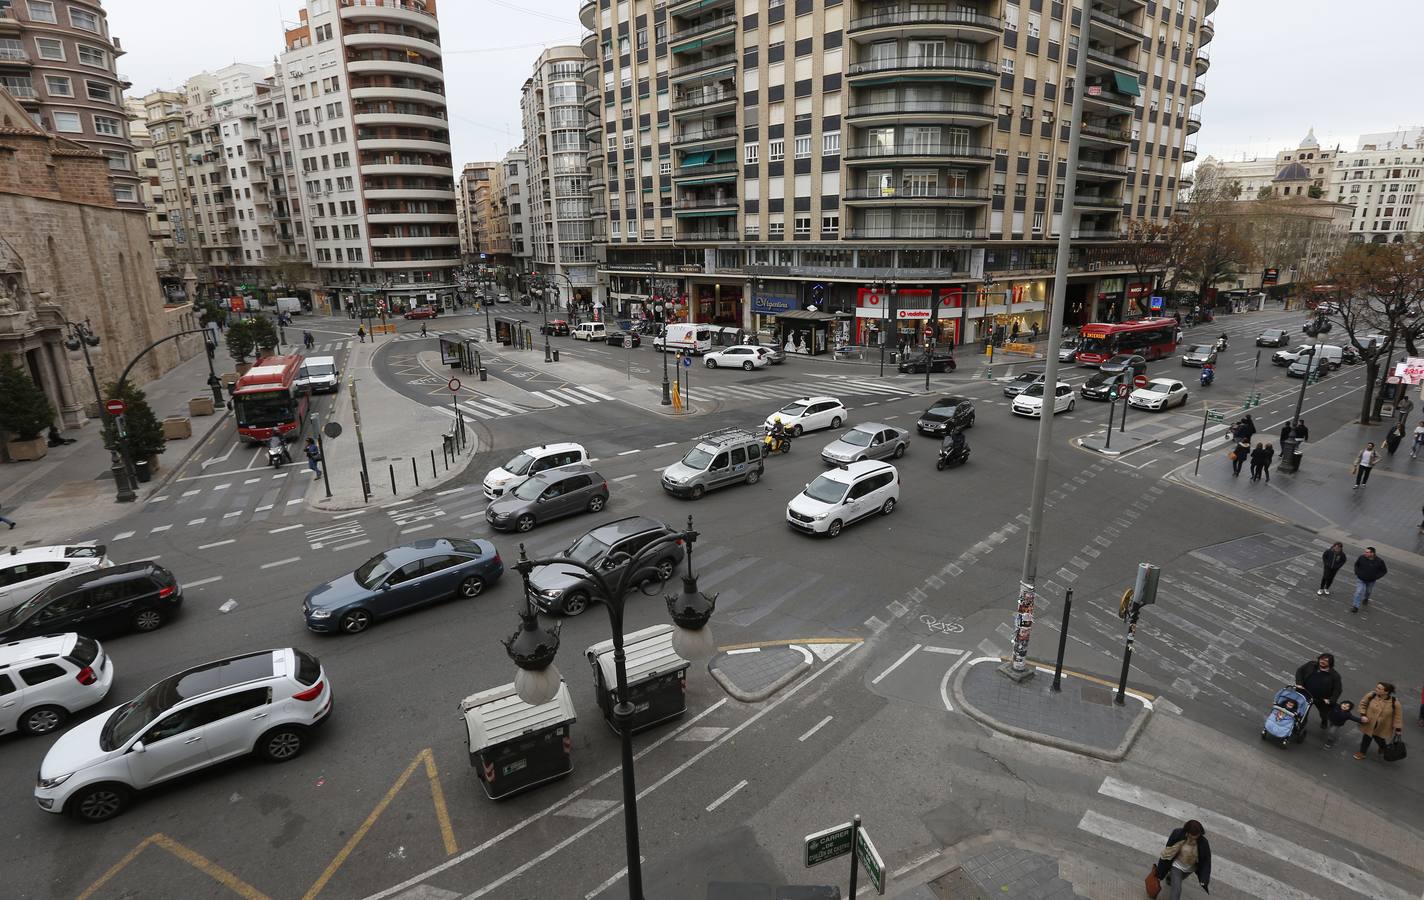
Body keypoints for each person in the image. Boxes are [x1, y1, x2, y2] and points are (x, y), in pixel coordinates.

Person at [1153, 820, 1211, 899]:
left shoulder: (1203, 842)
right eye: (1191, 836)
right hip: (1177, 866)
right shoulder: (1177, 834)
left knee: (1178, 879)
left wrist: (1204, 879)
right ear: (1187, 831)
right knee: (1177, 889)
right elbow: (1168, 851)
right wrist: (1160, 873)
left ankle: (1170, 878)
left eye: (1197, 836)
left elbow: (1206, 861)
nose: (1194, 838)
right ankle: (1171, 877)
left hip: (1190, 869)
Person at [1354, 682, 1404, 760]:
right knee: (1366, 738)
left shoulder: (1395, 702)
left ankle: (1382, 747)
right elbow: (1363, 704)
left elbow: (1398, 717)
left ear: (1386, 692)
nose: (1376, 689)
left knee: (1379, 738)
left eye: (1379, 688)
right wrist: (1363, 715)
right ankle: (1362, 752)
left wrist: (1398, 729)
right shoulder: (1371, 695)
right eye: (1376, 687)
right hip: (1369, 723)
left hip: (1383, 726)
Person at [1295, 653, 1343, 730]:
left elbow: (1338, 689)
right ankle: (1300, 727)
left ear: (1330, 663)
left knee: (1324, 713)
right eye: (1321, 659)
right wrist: (1299, 684)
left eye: (1325, 661)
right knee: (1303, 712)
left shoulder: (1334, 675)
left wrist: (1331, 700)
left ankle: (1324, 721)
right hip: (1306, 694)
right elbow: (1300, 671)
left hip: (1321, 699)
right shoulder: (1311, 665)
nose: (1322, 661)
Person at [1350, 547, 1387, 613]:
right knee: (1358, 592)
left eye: (1367, 552)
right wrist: (1357, 572)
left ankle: (1366, 598)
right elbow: (1356, 565)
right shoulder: (1362, 557)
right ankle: (1355, 606)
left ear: (1372, 553)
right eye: (1365, 552)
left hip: (1371, 581)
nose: (1365, 553)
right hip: (1361, 579)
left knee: (1368, 591)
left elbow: (1384, 571)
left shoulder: (1379, 561)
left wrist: (1376, 577)